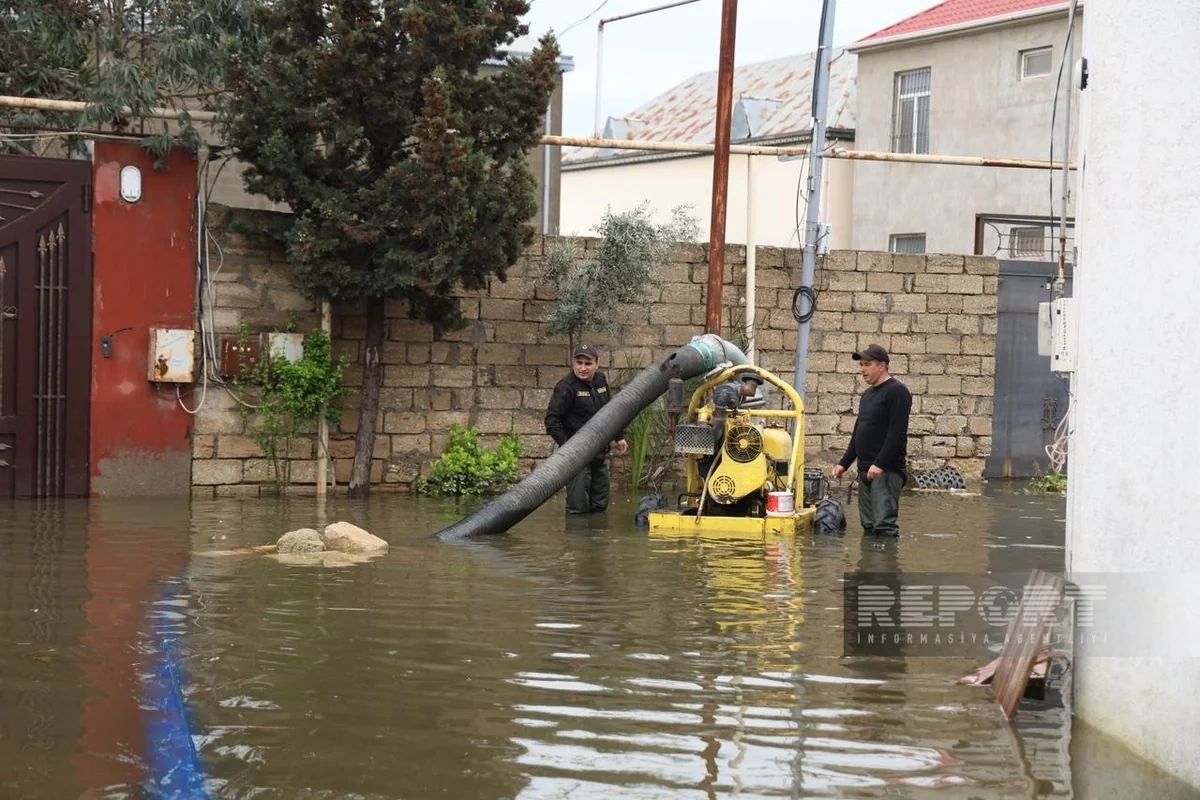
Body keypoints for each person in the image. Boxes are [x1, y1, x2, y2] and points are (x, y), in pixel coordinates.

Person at [831, 344, 912, 538]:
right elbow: (859, 433)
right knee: (868, 525)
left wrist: (880, 464)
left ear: (882, 366)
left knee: (884, 525)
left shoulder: (897, 392)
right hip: (865, 469)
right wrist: (844, 463)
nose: (862, 369)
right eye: (861, 365)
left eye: (867, 364)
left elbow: (897, 433)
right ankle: (868, 566)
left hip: (885, 470)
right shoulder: (867, 396)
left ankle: (886, 565)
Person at [545, 344, 629, 514]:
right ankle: (577, 538)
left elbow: (610, 412)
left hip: (599, 452)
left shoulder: (600, 381)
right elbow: (552, 421)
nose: (582, 368)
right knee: (578, 507)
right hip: (577, 458)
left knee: (600, 504)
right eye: (579, 363)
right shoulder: (566, 387)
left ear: (597, 364)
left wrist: (619, 436)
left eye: (588, 363)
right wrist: (568, 446)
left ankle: (596, 539)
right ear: (573, 363)